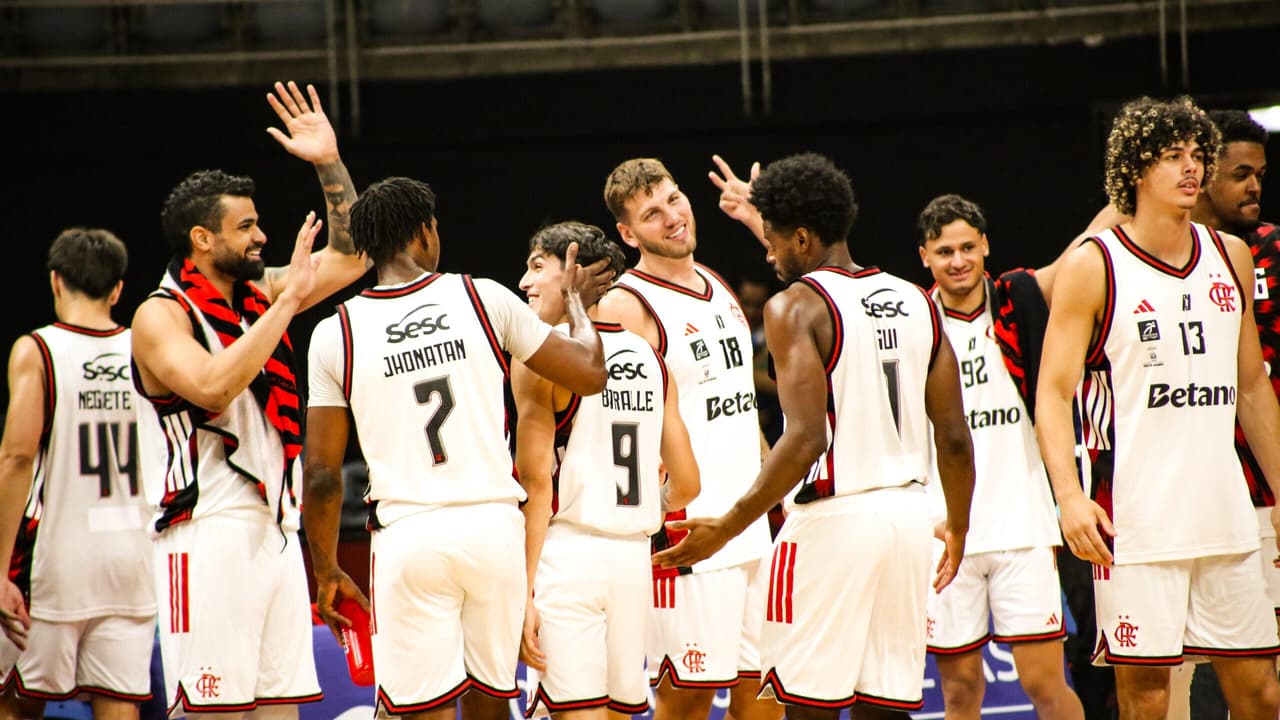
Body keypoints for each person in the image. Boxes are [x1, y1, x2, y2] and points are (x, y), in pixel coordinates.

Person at [655, 152, 975, 720]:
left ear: (801, 238)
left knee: (807, 706)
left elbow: (806, 440)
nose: (768, 252)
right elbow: (954, 437)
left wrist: (728, 526)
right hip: (909, 520)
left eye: (774, 239)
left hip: (832, 526)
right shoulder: (916, 301)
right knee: (885, 706)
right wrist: (959, 525)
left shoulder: (795, 307)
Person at [301, 180, 611, 720]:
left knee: (423, 711)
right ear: (425, 232)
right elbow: (588, 373)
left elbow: (323, 475)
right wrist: (578, 307)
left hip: (409, 534)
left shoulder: (335, 332)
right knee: (491, 705)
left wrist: (326, 570)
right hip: (492, 529)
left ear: (367, 249)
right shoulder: (482, 298)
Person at [1036, 96, 1280, 720]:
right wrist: (1068, 496)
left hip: (1226, 509)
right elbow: (1053, 392)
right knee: (1146, 699)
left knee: (1260, 692)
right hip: (1136, 520)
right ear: (1135, 170)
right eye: (1172, 156)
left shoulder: (1231, 255)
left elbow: (1252, 386)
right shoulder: (1094, 264)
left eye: (1198, 155)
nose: (1191, 167)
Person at [130, 81, 367, 717]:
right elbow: (212, 385)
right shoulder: (161, 315)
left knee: (281, 710)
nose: (262, 235)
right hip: (204, 533)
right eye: (246, 227)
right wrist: (288, 303)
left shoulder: (257, 297)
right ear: (202, 239)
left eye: (258, 223)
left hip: (275, 530)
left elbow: (352, 257)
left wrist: (328, 162)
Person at [597, 158, 778, 720]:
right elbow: (616, 426)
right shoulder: (625, 305)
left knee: (767, 697)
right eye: (652, 213)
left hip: (750, 523)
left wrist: (770, 478)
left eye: (674, 199)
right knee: (688, 699)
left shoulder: (718, 284)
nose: (673, 217)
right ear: (628, 234)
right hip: (689, 533)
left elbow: (737, 402)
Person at [513, 221, 700, 719]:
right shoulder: (652, 358)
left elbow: (536, 485)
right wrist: (648, 502)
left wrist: (522, 592)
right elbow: (688, 483)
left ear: (574, 272)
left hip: (566, 558)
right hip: (632, 562)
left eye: (537, 267)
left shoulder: (543, 355)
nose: (524, 282)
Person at [914, 195, 1084, 720]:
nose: (958, 261)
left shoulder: (1016, 299)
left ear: (986, 245)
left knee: (1046, 685)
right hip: (943, 533)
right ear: (924, 256)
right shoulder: (913, 321)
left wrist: (1133, 188)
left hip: (1022, 525)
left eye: (968, 247)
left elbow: (1084, 250)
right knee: (960, 692)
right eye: (945, 251)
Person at [0, 228, 152, 720]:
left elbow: (17, 458)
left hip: (56, 560)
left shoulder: (38, 350)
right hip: (133, 560)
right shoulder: (148, 350)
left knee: (14, 704)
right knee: (119, 706)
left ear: (55, 281)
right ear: (118, 290)